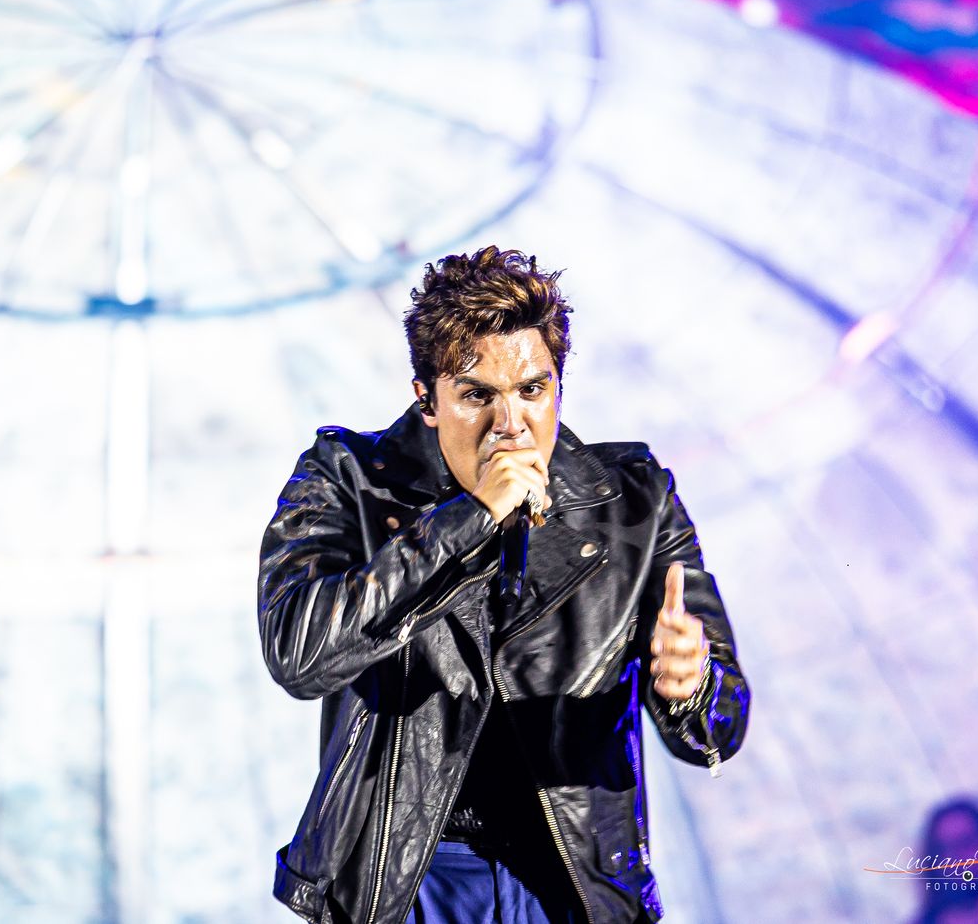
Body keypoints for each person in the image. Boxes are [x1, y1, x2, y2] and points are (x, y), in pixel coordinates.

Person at [258, 246, 751, 923]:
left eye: (532, 391)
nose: (510, 423)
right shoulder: (346, 477)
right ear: (428, 401)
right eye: (476, 395)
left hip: (572, 878)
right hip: (410, 877)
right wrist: (471, 517)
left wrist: (690, 686)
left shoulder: (634, 500)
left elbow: (719, 728)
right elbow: (299, 653)